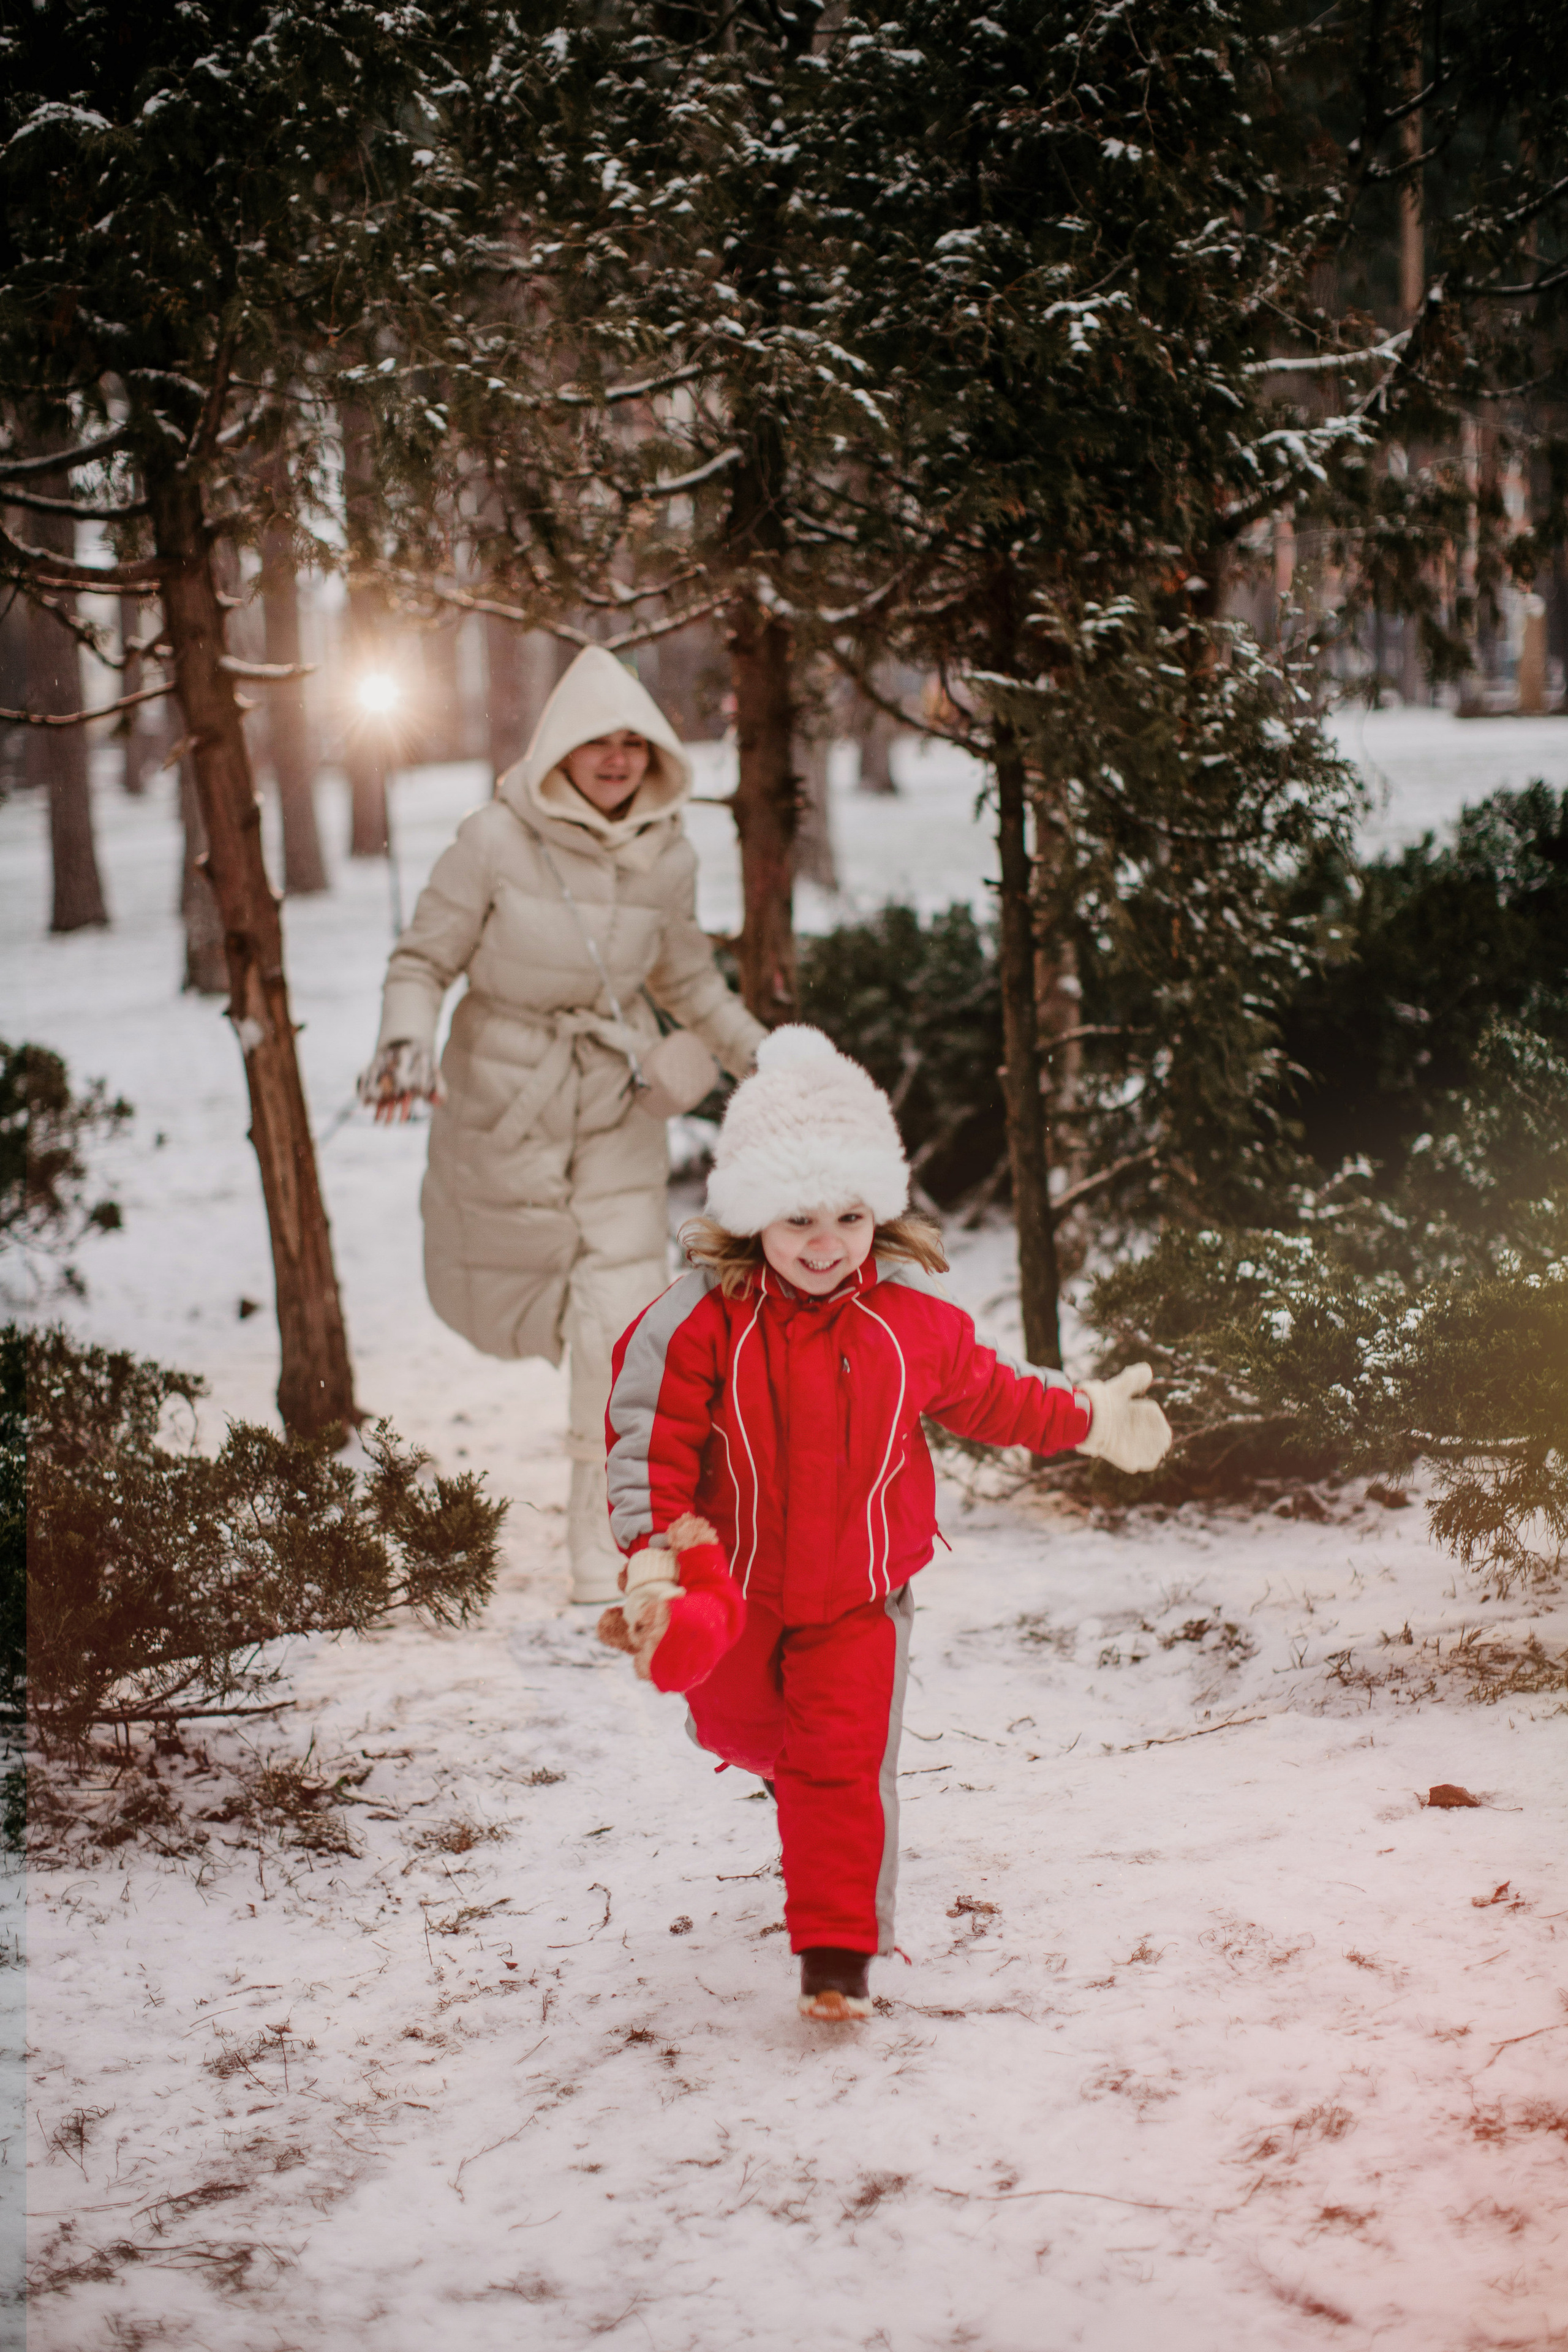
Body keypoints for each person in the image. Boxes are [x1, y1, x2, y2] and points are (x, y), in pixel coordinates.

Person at [597, 1027, 1174, 2021]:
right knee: (737, 1725)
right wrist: (656, 1559)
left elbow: (994, 1392)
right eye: (798, 1218)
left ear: (881, 1212)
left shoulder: (909, 1320)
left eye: (850, 1217)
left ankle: (837, 1960)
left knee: (842, 1763)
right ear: (751, 1216)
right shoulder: (699, 1320)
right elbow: (651, 1437)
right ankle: (774, 1766)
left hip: (862, 1596)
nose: (826, 1243)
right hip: (735, 1590)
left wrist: (1090, 1416)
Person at [358, 644, 766, 1605]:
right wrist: (405, 1039)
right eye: (598, 742)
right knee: (532, 1297)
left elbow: (686, 978)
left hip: (619, 1103)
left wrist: (771, 1060)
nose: (618, 759)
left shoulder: (669, 850)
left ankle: (606, 1539)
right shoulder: (493, 839)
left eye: (634, 742)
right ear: (561, 750)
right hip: (509, 1103)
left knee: (623, 1320)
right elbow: (423, 960)